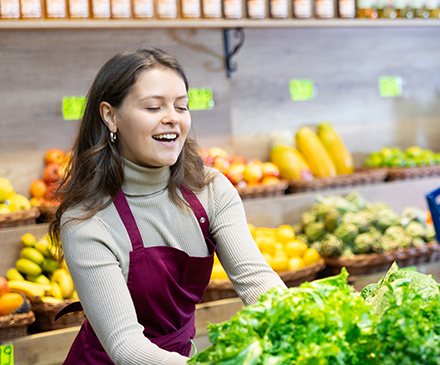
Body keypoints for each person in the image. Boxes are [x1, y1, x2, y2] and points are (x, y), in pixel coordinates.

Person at [48, 48, 285, 365]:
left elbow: (258, 282)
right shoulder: (87, 221)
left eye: (181, 106)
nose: (172, 117)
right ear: (110, 115)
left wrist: (301, 325)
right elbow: (126, 346)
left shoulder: (210, 190)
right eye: (153, 106)